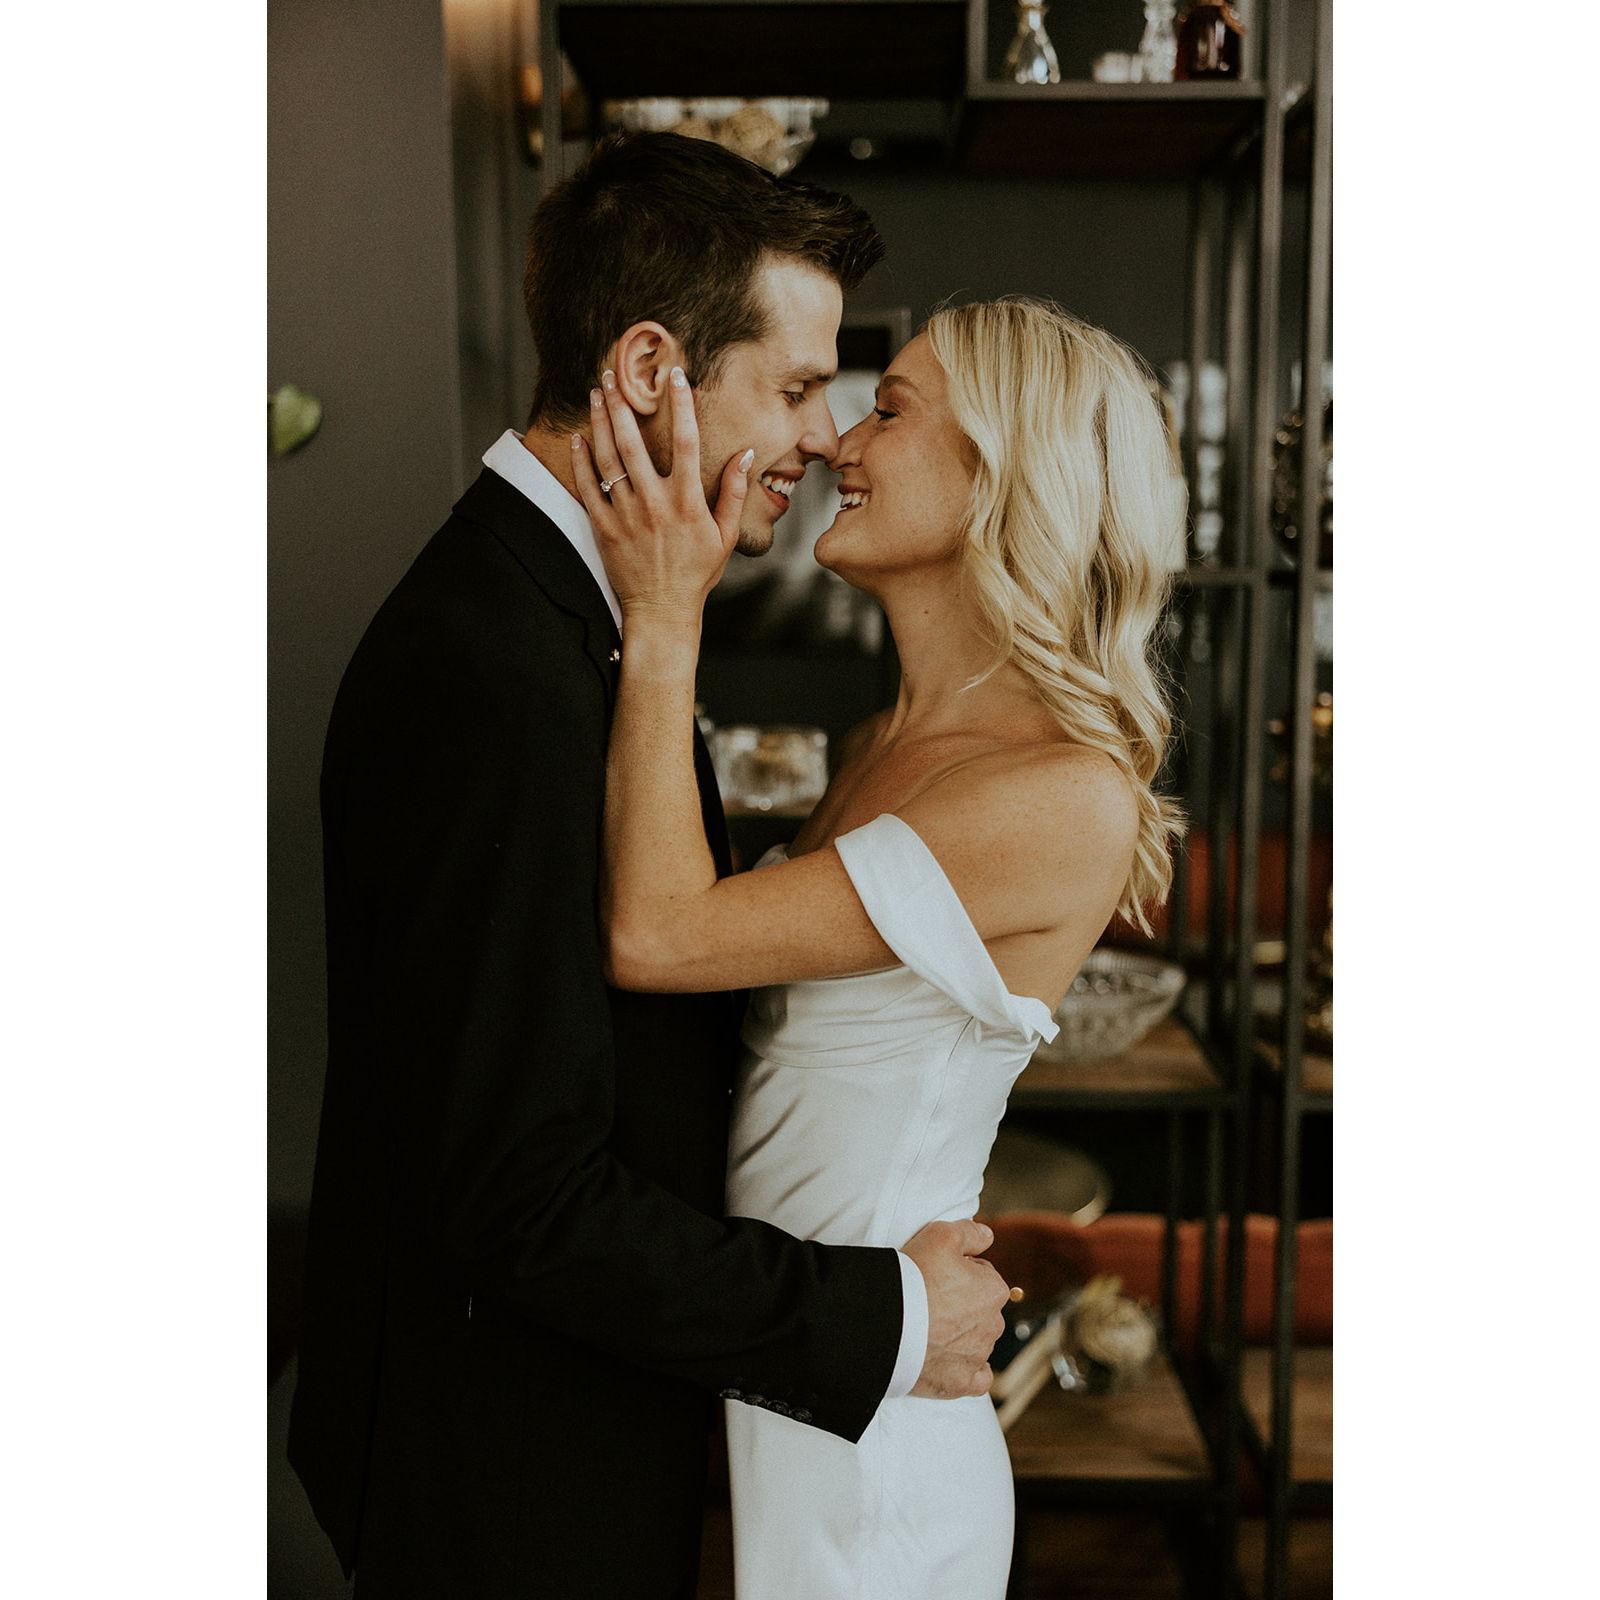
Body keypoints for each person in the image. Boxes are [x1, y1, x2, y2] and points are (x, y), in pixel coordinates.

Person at [286, 131, 1013, 1600]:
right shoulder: (496, 667)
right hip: (503, 1475)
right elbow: (524, 1196)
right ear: (645, 374)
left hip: (561, 1431)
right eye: (795, 388)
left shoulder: (574, 610)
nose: (825, 437)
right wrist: (879, 1316)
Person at [576, 294, 1187, 1598]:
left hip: (877, 1472)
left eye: (889, 410)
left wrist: (666, 612)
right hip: (789, 1373)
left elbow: (659, 933)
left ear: (1002, 474)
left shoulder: (1062, 795)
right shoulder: (875, 747)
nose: (838, 442)